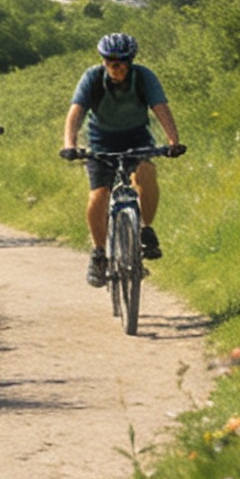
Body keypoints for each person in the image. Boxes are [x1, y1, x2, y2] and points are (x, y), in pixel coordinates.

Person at [61, 31, 183, 288]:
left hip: (136, 136)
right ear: (103, 62)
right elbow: (76, 112)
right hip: (100, 140)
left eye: (122, 63)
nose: (117, 69)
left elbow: (160, 108)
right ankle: (98, 254)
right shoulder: (92, 78)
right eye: (111, 63)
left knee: (146, 173)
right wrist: (70, 145)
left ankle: (146, 229)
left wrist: (173, 141)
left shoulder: (143, 77)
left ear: (131, 61)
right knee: (99, 194)